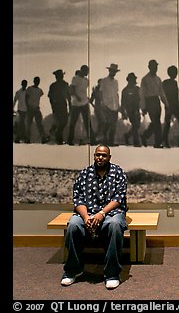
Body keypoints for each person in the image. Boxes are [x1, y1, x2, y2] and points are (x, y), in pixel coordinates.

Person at [61, 144, 128, 289]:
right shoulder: (84, 174)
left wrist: (101, 214)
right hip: (87, 213)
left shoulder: (118, 173)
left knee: (115, 225)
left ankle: (111, 274)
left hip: (111, 214)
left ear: (109, 157)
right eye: (98, 154)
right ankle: (72, 270)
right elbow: (77, 198)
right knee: (73, 224)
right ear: (94, 156)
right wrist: (85, 217)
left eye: (104, 155)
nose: (100, 157)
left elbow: (119, 198)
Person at [140, 59, 168, 148]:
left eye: (156, 67)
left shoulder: (158, 79)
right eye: (153, 67)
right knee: (156, 122)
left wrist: (166, 103)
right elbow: (142, 94)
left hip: (156, 100)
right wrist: (143, 107)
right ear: (149, 67)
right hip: (149, 101)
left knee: (156, 122)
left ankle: (145, 135)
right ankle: (157, 142)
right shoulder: (145, 79)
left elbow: (161, 92)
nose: (155, 68)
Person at [67, 65, 96, 146]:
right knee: (73, 122)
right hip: (76, 104)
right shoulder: (75, 78)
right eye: (86, 71)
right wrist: (76, 96)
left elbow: (84, 91)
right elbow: (71, 89)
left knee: (87, 122)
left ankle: (92, 140)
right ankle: (70, 140)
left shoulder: (86, 80)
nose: (87, 73)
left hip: (84, 103)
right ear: (82, 70)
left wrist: (87, 99)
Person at [162, 65, 179, 148]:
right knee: (168, 124)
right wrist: (167, 104)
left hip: (175, 105)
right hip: (169, 105)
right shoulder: (166, 83)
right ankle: (165, 141)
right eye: (174, 72)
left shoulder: (174, 82)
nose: (175, 74)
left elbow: (176, 95)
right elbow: (164, 95)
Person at [48, 69, 71, 144]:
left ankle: (53, 131)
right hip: (57, 105)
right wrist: (53, 106)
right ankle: (59, 138)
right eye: (58, 76)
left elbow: (68, 95)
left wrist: (70, 106)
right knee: (60, 122)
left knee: (64, 122)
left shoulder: (65, 84)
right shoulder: (53, 85)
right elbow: (50, 97)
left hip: (63, 104)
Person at [99, 64, 120, 146]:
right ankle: (104, 139)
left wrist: (118, 104)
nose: (113, 73)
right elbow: (100, 92)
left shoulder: (116, 82)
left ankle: (111, 141)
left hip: (114, 104)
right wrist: (102, 102)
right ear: (109, 71)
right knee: (108, 123)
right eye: (112, 71)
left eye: (115, 71)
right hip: (106, 104)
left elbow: (116, 93)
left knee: (113, 124)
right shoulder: (104, 81)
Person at [25, 76, 50, 144]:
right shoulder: (29, 89)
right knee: (29, 124)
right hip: (30, 108)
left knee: (39, 123)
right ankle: (27, 139)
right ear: (34, 81)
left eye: (38, 81)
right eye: (36, 81)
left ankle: (43, 138)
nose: (37, 82)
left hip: (36, 108)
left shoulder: (40, 90)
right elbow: (26, 98)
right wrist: (27, 107)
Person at [121, 72, 141, 147]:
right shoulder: (125, 90)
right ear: (128, 80)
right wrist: (123, 112)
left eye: (134, 79)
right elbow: (123, 102)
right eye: (132, 79)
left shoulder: (137, 89)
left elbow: (140, 99)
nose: (133, 81)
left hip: (137, 109)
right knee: (135, 124)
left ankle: (127, 135)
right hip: (130, 110)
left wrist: (142, 108)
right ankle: (136, 142)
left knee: (137, 125)